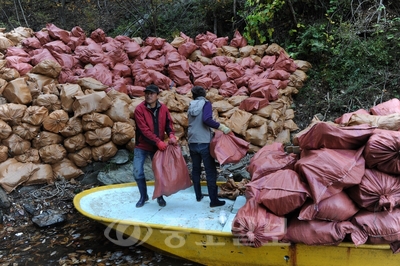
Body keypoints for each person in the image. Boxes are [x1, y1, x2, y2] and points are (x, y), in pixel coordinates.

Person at [133, 84, 177, 208]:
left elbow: (169, 124)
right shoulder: (139, 109)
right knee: (137, 172)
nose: (148, 95)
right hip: (142, 145)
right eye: (147, 93)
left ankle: (160, 196)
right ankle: (143, 196)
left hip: (158, 147)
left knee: (159, 173)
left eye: (151, 93)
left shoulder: (163, 108)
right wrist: (158, 141)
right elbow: (144, 130)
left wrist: (172, 135)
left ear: (157, 95)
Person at [187, 86, 231, 208]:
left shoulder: (191, 105)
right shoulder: (206, 104)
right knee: (210, 170)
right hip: (204, 142)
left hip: (192, 141)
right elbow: (206, 119)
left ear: (193, 95)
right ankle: (213, 200)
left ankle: (198, 195)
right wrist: (221, 127)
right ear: (204, 95)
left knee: (196, 169)